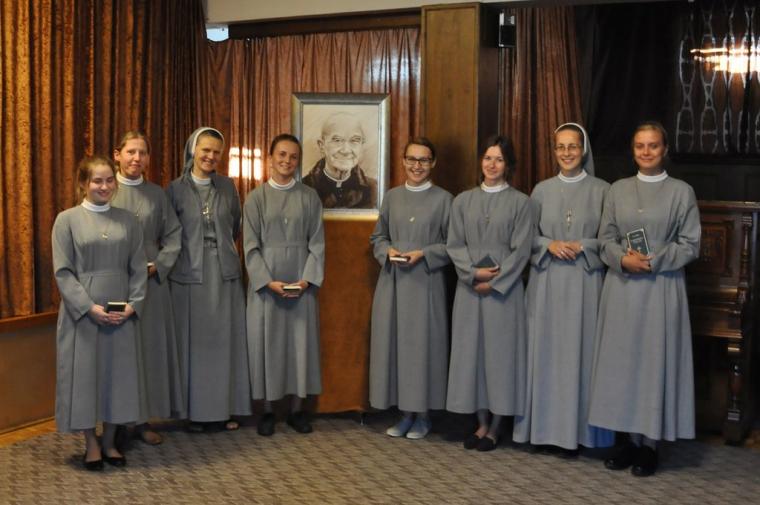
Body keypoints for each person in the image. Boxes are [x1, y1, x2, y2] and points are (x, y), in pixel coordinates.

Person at [588, 121, 701, 476]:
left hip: (660, 287)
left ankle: (650, 444)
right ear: (632, 150)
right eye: (640, 145)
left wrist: (654, 261)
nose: (646, 151)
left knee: (653, 364)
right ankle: (628, 441)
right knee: (622, 364)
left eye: (653, 145)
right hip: (622, 288)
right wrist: (622, 259)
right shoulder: (617, 190)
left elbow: (691, 244)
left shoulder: (681, 192)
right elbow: (604, 238)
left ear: (664, 149)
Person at [512, 123, 614, 455]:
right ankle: (543, 432)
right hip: (547, 282)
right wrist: (549, 244)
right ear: (554, 151)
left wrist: (583, 245)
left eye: (573, 146)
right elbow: (526, 236)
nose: (567, 153)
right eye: (560, 147)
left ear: (583, 150)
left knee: (581, 356)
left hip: (585, 283)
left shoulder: (603, 190)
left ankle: (579, 434)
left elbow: (609, 239)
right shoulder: (541, 190)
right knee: (545, 355)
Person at [52, 155, 147, 470]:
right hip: (82, 315)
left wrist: (134, 304)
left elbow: (138, 268)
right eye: (97, 181)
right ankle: (91, 443)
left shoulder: (128, 220)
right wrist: (88, 308)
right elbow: (63, 272)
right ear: (83, 183)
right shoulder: (66, 220)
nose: (104, 186)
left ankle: (109, 441)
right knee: (85, 379)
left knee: (118, 378)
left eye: (109, 181)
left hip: (121, 314)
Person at [446, 135, 533, 451]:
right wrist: (472, 274)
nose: (492, 164)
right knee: (473, 357)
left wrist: (494, 281)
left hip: (503, 293)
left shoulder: (521, 203)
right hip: (469, 291)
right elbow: (454, 244)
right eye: (487, 158)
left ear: (508, 165)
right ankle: (481, 423)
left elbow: (521, 250)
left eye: (499, 159)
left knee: (500, 358)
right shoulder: (462, 201)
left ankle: (496, 426)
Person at [167, 127, 252, 432]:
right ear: (193, 150)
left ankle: (226, 409)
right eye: (205, 150)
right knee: (195, 347)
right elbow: (168, 232)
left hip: (225, 272)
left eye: (217, 152)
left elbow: (236, 225)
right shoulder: (174, 189)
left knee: (226, 344)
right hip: (188, 274)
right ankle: (195, 413)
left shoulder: (227, 186)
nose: (211, 156)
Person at [369, 137, 453, 440]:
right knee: (396, 348)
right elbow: (378, 237)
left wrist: (425, 253)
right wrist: (387, 251)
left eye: (424, 160)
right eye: (412, 159)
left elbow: (453, 244)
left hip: (426, 283)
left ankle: (424, 415)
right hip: (393, 282)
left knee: (423, 348)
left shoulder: (445, 199)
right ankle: (405, 413)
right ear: (403, 161)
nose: (417, 165)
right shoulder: (392, 197)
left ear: (433, 163)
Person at [244, 133, 325, 435]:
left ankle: (297, 409)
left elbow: (317, 244)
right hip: (267, 285)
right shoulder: (256, 198)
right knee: (266, 345)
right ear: (270, 158)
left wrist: (306, 280)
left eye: (293, 156)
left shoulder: (309, 197)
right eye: (281, 154)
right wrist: (267, 281)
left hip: (301, 282)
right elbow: (250, 247)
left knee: (299, 345)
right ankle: (267, 410)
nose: (287, 161)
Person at [111, 131, 184, 445]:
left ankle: (142, 421)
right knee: (121, 354)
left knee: (148, 352)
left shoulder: (157, 194)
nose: (136, 158)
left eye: (142, 153)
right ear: (117, 154)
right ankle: (116, 422)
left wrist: (158, 265)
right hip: (117, 283)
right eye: (131, 152)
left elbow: (174, 236)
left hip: (152, 283)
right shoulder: (106, 189)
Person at [302, 112, 377, 209]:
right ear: (322, 145)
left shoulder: (374, 189)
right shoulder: (305, 187)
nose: (346, 150)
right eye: (337, 140)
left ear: (362, 145)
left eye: (354, 140)